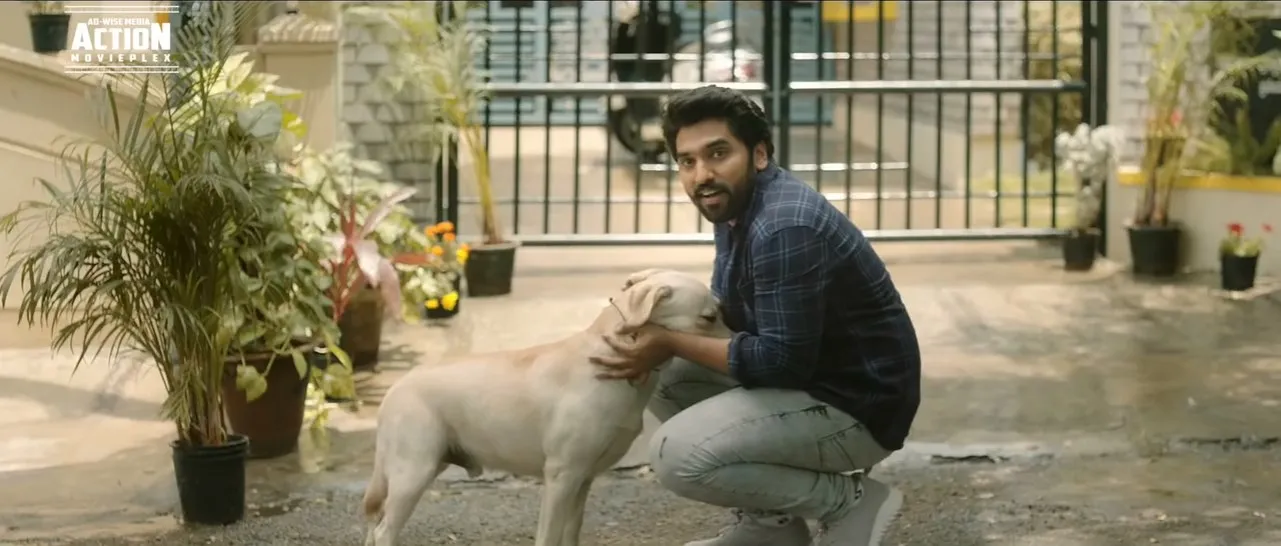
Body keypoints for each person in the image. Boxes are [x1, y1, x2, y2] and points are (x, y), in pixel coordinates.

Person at [590, 85, 922, 546]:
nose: (702, 175)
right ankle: (770, 528)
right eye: (687, 161)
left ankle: (849, 501)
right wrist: (664, 302)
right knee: (664, 373)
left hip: (859, 408)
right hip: (816, 380)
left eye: (718, 153)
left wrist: (668, 340)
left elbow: (781, 363)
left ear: (759, 154)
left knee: (676, 455)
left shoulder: (783, 225)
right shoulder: (735, 206)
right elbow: (734, 315)